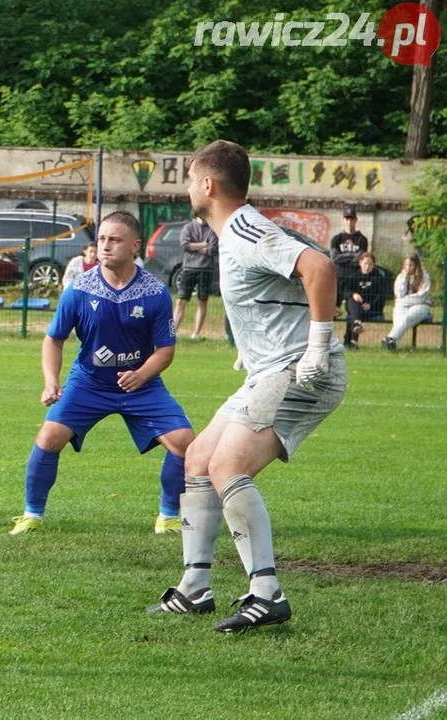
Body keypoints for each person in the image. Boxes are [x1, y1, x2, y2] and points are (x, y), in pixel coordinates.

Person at [147, 140, 346, 632]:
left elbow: (318, 268)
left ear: (209, 185)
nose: (189, 187)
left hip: (297, 369)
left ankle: (266, 593)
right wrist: (251, 344)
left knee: (227, 464)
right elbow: (273, 292)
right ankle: (195, 588)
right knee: (197, 458)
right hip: (269, 367)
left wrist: (317, 348)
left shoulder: (242, 229)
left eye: (192, 179)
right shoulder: (232, 233)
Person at [8, 212, 194, 537]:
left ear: (135, 246)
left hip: (141, 386)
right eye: (102, 239)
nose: (105, 246)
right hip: (88, 383)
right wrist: (52, 382)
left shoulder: (155, 293)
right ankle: (31, 515)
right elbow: (53, 340)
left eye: (115, 240)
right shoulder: (78, 290)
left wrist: (141, 374)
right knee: (48, 438)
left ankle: (168, 517)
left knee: (183, 442)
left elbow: (165, 350)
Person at [173, 216, 218, 339]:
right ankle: (173, 333)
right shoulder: (188, 228)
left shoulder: (212, 230)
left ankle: (196, 334)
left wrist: (194, 247)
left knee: (202, 301)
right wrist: (203, 244)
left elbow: (213, 249)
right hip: (189, 269)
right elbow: (185, 246)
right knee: (180, 301)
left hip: (206, 269)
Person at [341, 251, 391, 349]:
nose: (367, 266)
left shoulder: (378, 278)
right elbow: (345, 292)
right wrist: (353, 294)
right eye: (365, 263)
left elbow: (381, 296)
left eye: (370, 264)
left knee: (354, 316)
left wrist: (370, 304)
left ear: (373, 265)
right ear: (360, 263)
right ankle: (356, 326)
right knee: (351, 301)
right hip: (356, 307)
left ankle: (352, 340)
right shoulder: (354, 277)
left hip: (372, 310)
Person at [383, 253, 432, 351]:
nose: (408, 268)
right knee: (398, 319)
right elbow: (399, 293)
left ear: (416, 265)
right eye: (406, 265)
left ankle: (390, 338)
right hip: (403, 305)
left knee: (407, 317)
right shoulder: (401, 276)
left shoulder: (424, 276)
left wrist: (404, 300)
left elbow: (421, 297)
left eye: (411, 265)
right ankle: (393, 344)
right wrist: (404, 279)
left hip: (421, 306)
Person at [329, 207, 369, 310]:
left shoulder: (362, 239)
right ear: (343, 220)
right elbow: (334, 258)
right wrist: (352, 255)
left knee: (352, 305)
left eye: (351, 219)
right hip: (339, 276)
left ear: (356, 220)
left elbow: (359, 259)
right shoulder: (336, 239)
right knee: (333, 308)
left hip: (355, 276)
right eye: (347, 219)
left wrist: (342, 256)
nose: (349, 222)